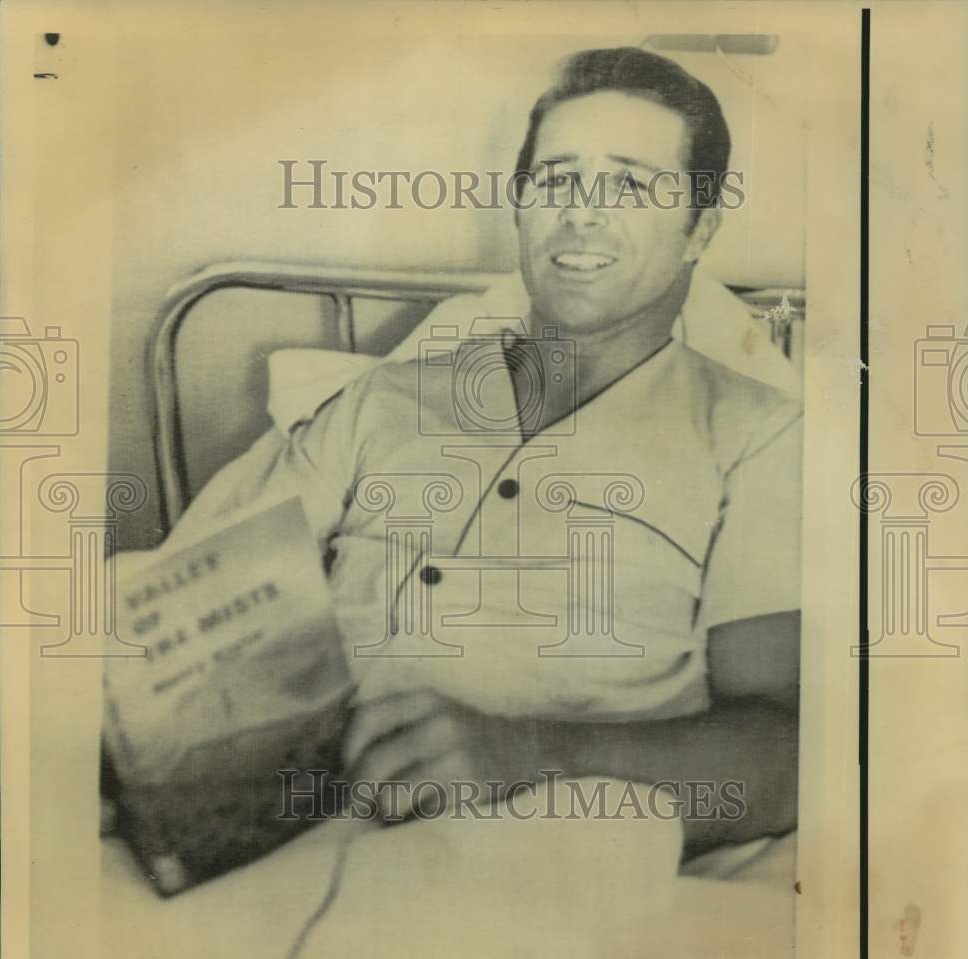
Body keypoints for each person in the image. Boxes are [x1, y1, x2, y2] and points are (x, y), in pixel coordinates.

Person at [126, 47, 803, 858]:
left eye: (629, 184)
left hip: (548, 877)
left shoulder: (757, 438)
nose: (580, 213)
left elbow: (785, 754)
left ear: (698, 228)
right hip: (289, 842)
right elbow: (178, 619)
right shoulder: (378, 403)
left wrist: (528, 757)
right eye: (554, 179)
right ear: (519, 208)